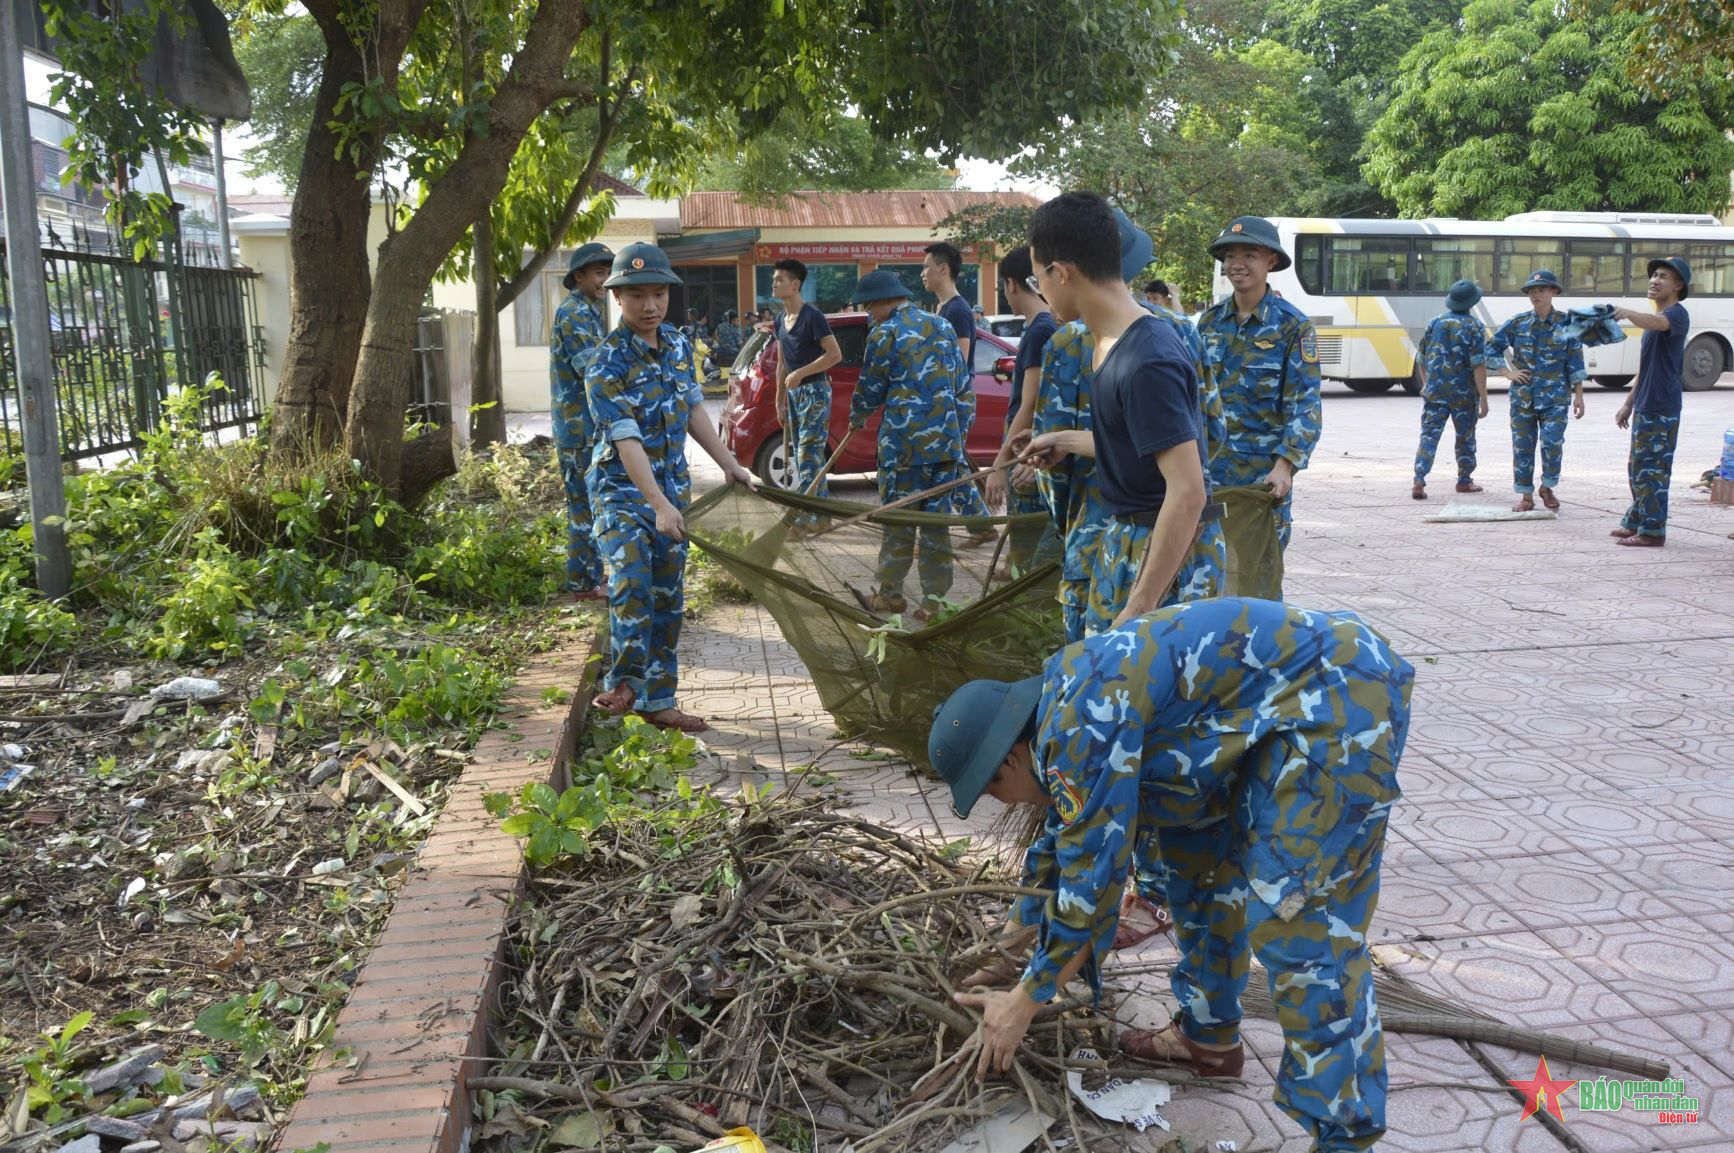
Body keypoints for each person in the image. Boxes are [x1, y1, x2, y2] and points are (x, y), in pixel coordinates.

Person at [932, 596, 1414, 1153]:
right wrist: (1009, 949)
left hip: (1339, 700)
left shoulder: (1079, 725)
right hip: (1262, 714)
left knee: (1300, 921)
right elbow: (1063, 841)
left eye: (989, 790)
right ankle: (1208, 1037)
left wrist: (1022, 1002)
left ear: (1008, 762)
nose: (999, 803)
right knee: (1198, 871)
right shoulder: (1056, 709)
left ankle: (1344, 1137)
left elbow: (1093, 888)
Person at [1022, 194, 1215, 638]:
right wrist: (1067, 440)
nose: (1041, 293)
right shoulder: (1111, 343)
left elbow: (1188, 493)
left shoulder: (1148, 359)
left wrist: (1141, 605)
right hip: (1125, 541)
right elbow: (1141, 446)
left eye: (1038, 280)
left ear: (1062, 273)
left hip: (1158, 555)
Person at [586, 244, 756, 733]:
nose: (650, 305)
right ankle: (623, 684)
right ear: (616, 297)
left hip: (671, 491)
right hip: (622, 492)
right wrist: (657, 503)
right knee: (631, 583)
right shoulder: (606, 363)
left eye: (658, 293)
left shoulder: (680, 347)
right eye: (636, 295)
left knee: (668, 597)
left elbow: (693, 411)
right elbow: (625, 438)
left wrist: (730, 465)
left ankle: (658, 702)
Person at [847, 270, 971, 622]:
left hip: (904, 450)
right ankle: (934, 602)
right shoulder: (942, 326)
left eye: (871, 306)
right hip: (945, 446)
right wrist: (957, 436)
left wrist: (857, 416)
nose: (870, 312)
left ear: (886, 300)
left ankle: (890, 597)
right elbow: (962, 386)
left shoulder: (884, 333)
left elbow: (871, 387)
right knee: (936, 526)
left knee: (898, 522)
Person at [1196, 217, 1323, 550]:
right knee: (1205, 576)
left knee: (1258, 578)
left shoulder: (1292, 327)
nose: (1236, 264)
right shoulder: (1208, 324)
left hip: (1261, 481)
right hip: (1207, 477)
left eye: (1249, 255)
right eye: (1230, 256)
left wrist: (1285, 467)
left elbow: (1305, 405)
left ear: (1271, 261)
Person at [983, 246, 1059, 577]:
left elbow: (1030, 403)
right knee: (1021, 553)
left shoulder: (1041, 329)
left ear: (1011, 284)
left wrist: (1000, 464)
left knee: (1030, 567)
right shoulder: (1038, 326)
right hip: (1026, 449)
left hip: (1027, 455)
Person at [1488, 269, 1586, 512]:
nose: (1536, 294)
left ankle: (1547, 486)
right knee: (1522, 446)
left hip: (1556, 396)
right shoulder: (1518, 323)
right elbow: (1491, 348)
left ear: (1554, 292)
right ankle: (1525, 495)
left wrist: (1579, 396)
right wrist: (1507, 373)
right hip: (1523, 397)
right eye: (1532, 291)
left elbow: (1575, 360)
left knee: (1552, 442)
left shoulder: (1567, 324)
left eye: (1542, 290)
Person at [549, 242, 615, 601]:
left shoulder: (587, 310)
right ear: (579, 277)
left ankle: (588, 580)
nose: (605, 280)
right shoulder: (574, 312)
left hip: (584, 427)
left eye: (608, 272)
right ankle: (584, 584)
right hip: (578, 430)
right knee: (583, 506)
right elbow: (591, 369)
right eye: (599, 273)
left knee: (589, 504)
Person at [1611, 257, 1692, 547]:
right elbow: (1644, 368)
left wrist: (1627, 312)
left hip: (1662, 407)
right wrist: (1628, 403)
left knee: (1652, 470)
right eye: (1654, 275)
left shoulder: (1676, 315)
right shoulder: (1654, 322)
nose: (1655, 281)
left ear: (1679, 285)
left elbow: (1658, 322)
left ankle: (1653, 531)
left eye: (1664, 277)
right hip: (1646, 404)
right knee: (1638, 467)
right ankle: (1636, 520)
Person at [923, 241, 996, 536]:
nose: (923, 274)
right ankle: (981, 527)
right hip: (941, 398)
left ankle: (970, 528)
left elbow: (959, 360)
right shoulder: (942, 308)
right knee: (952, 465)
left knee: (948, 465)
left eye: (927, 267)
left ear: (943, 269)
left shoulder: (958, 310)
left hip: (954, 398)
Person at [770, 260, 843, 521]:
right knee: (805, 461)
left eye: (779, 279)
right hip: (793, 396)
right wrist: (779, 401)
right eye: (774, 278)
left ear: (795, 285)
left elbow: (834, 355)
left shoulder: (813, 316)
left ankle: (800, 520)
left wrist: (800, 373)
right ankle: (822, 517)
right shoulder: (780, 319)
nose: (774, 283)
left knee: (808, 456)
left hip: (815, 393)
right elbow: (781, 364)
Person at [1410, 279, 1490, 500]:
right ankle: (1464, 481)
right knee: (1465, 437)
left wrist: (1427, 384)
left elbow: (1421, 358)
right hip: (1463, 396)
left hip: (1435, 392)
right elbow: (1478, 365)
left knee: (1428, 436)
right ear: (1472, 302)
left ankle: (1419, 479)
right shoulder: (1475, 326)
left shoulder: (1434, 323)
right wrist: (1484, 398)